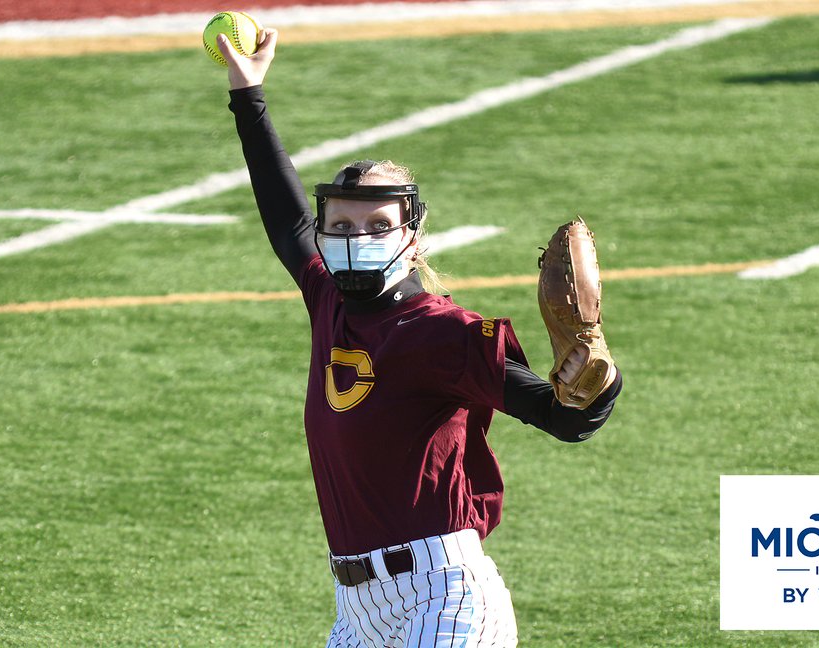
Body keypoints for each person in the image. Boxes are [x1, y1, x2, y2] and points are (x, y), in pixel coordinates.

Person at [216, 28, 623, 648]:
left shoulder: (441, 332)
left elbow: (563, 419)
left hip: (446, 598)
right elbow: (284, 214)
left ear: (413, 236)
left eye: (377, 224)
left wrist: (598, 382)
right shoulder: (329, 300)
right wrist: (248, 91)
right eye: (342, 225)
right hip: (356, 612)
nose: (356, 237)